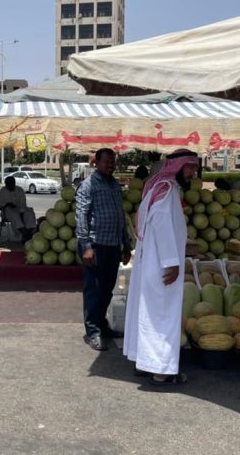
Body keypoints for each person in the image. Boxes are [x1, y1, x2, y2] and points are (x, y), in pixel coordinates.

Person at [124, 149, 199, 386]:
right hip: (161, 265)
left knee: (149, 314)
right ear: (176, 166)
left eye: (194, 168)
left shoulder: (160, 187)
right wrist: (172, 263)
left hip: (151, 263)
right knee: (163, 316)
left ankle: (144, 361)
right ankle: (161, 370)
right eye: (189, 167)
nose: (192, 173)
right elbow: (163, 228)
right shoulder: (166, 191)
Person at [76, 148, 132, 351]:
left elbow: (120, 216)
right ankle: (93, 331)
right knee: (94, 290)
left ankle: (101, 323)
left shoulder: (115, 185)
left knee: (107, 289)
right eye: (107, 162)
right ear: (96, 163)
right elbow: (81, 216)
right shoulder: (88, 185)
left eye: (113, 162)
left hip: (113, 245)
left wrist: (126, 243)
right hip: (95, 245)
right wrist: (86, 246)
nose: (110, 165)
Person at [0, 176, 37, 241]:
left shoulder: (20, 190)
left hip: (20, 208)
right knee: (13, 214)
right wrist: (8, 204)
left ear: (14, 183)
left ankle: (30, 230)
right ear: (6, 184)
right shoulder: (2, 191)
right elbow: (0, 204)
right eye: (8, 185)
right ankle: (23, 232)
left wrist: (21, 212)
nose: (10, 186)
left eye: (11, 184)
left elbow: (23, 203)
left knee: (29, 211)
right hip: (7, 210)